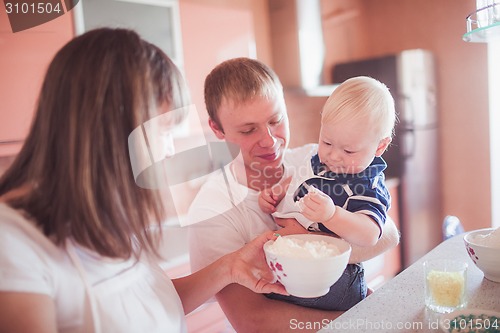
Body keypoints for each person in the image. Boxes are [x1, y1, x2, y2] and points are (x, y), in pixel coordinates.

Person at [0, 28, 287, 333]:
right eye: (162, 129)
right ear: (108, 127)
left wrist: (229, 267)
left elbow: (148, 301)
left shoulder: (103, 216)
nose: (169, 150)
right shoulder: (12, 242)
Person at [188, 57, 400, 332]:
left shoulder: (317, 158)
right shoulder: (212, 210)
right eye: (249, 130)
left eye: (276, 120)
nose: (269, 140)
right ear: (217, 129)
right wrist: (358, 322)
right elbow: (254, 321)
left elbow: (388, 234)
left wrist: (311, 242)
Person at [258, 75, 396, 311]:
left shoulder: (366, 184)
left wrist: (332, 216)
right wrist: (279, 190)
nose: (333, 156)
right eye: (327, 142)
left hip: (337, 279)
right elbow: (303, 177)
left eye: (349, 150)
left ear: (379, 146)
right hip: (300, 268)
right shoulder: (320, 160)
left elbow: (370, 234)